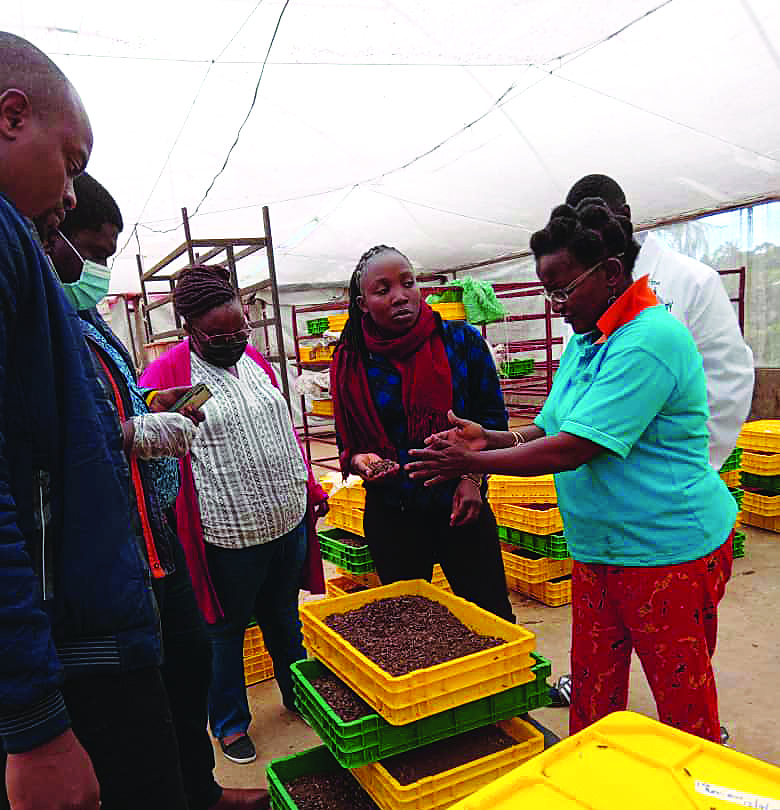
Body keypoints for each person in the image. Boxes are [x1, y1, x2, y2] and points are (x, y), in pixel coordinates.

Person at [0, 33, 200, 810]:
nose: (68, 198)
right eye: (69, 162)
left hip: (60, 651)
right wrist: (34, 719)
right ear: (10, 116)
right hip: (66, 667)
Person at [408, 199, 737, 743]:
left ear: (610, 272)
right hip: (600, 548)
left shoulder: (649, 340)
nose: (556, 306)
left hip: (666, 551)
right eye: (547, 291)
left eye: (563, 290)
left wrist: (472, 463)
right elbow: (550, 427)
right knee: (592, 686)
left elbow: (575, 448)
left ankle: (697, 794)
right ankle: (594, 781)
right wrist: (488, 437)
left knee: (681, 699)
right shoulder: (589, 341)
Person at [42, 173, 271, 810]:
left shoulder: (85, 323)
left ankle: (196, 794)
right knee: (135, 721)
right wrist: (133, 433)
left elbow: (112, 404)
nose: (87, 267)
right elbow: (50, 442)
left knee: (186, 672)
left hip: (153, 541)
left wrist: (149, 404)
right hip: (111, 557)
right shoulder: (38, 330)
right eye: (76, 246)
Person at [141, 265, 328, 765]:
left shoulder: (256, 363)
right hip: (227, 536)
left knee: (285, 619)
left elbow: (283, 428)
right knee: (223, 633)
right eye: (218, 335)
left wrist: (308, 487)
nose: (233, 341)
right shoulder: (166, 374)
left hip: (284, 522)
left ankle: (298, 695)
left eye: (239, 330)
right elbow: (149, 445)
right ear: (190, 329)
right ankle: (228, 723)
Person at [329, 244, 514, 622]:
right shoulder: (351, 362)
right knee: (410, 626)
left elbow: (492, 421)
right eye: (383, 290)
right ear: (363, 303)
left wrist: (471, 479)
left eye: (408, 283)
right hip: (392, 511)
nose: (400, 296)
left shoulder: (461, 343)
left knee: (490, 618)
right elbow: (348, 441)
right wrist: (362, 460)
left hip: (462, 503)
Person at [566, 174, 754, 470]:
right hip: (599, 471)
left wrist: (688, 465)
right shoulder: (585, 294)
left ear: (624, 215)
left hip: (669, 474)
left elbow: (727, 380)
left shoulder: (692, 281)